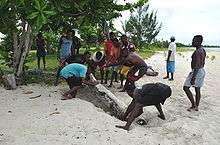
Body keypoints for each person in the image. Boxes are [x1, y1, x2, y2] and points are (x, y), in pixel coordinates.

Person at [183, 35, 206, 112]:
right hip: (201, 70)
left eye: (194, 41)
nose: (192, 42)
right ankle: (196, 106)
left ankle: (193, 105)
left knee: (185, 87)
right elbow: (202, 62)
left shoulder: (197, 52)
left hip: (197, 71)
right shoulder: (202, 49)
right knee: (197, 89)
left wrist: (193, 77)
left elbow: (196, 66)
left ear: (198, 42)